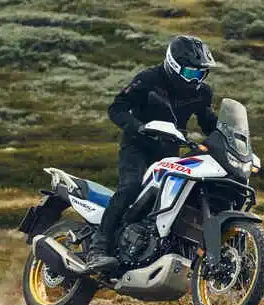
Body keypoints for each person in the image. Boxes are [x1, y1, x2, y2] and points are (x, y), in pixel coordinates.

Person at [86, 35, 220, 271]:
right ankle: (98, 248)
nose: (196, 79)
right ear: (174, 65)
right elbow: (117, 108)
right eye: (191, 73)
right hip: (137, 145)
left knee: (178, 198)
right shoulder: (149, 79)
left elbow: (208, 123)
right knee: (130, 186)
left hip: (169, 151)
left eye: (201, 74)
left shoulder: (202, 93)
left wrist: (226, 139)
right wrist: (139, 127)